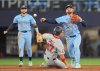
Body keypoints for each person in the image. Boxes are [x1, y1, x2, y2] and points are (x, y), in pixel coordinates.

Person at [40, 4, 86, 68]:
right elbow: (54, 21)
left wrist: (80, 20)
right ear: (66, 10)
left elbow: (85, 25)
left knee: (76, 47)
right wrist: (45, 20)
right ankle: (73, 59)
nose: (69, 9)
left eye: (70, 8)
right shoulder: (63, 18)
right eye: (67, 8)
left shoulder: (77, 17)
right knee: (70, 51)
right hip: (68, 37)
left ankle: (77, 63)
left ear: (73, 10)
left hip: (77, 36)